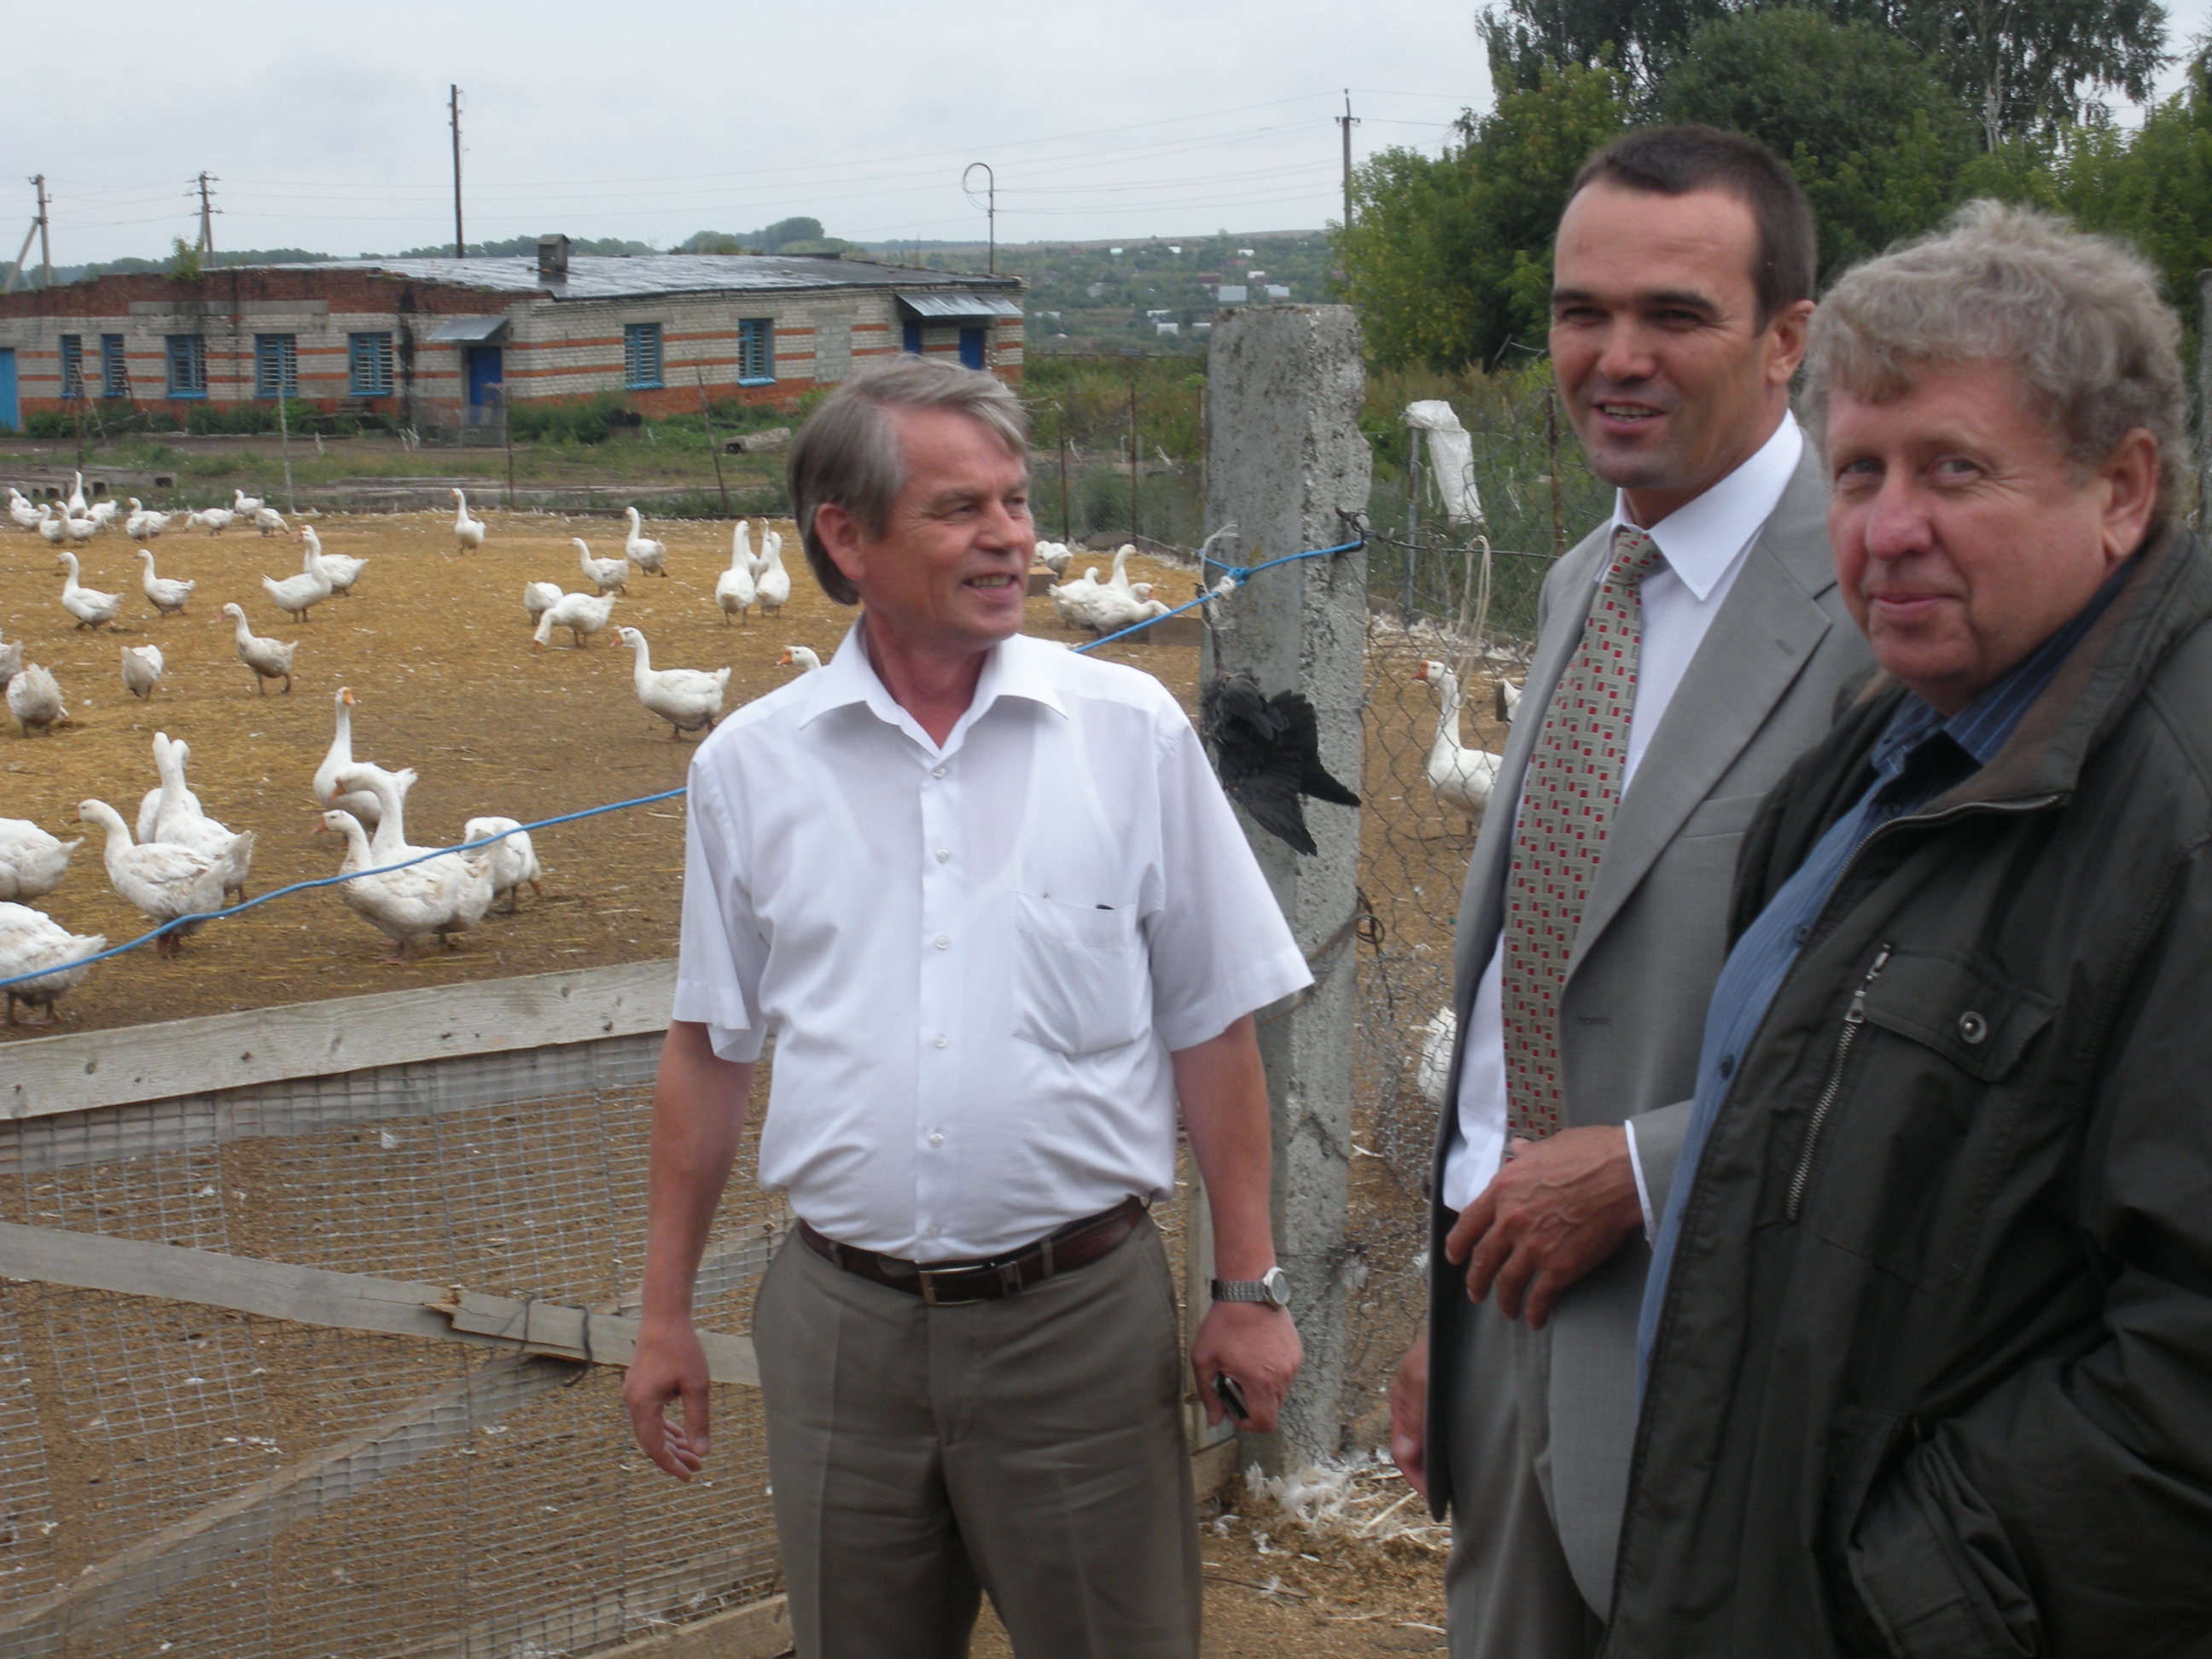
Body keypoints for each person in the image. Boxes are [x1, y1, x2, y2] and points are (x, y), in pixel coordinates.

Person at [621, 355, 1310, 1659]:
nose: (1010, 538)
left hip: (1080, 1332)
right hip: (842, 1339)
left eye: (1016, 501)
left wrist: (1248, 1284)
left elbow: (1212, 1020)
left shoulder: (1129, 735)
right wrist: (662, 1317)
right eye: (960, 510)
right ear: (846, 537)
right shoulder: (749, 770)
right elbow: (712, 1050)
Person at [1611, 201, 2212, 1656]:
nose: (1887, 531)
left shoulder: (2176, 818)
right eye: (1860, 471)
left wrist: (1917, 1583)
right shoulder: (1882, 761)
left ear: (2122, 489)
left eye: (1955, 469)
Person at [1388, 125, 1873, 1656]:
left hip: (1728, 1334)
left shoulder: (1881, 609)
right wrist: (1445, 1317)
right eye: (1579, 312)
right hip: (1507, 1305)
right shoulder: (1585, 578)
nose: (1614, 356)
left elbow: (1921, 999)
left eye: (1675, 315)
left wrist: (1651, 1167)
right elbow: (1535, 986)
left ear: (1791, 336)